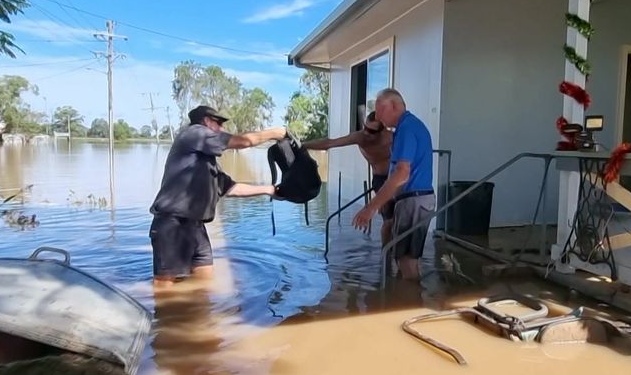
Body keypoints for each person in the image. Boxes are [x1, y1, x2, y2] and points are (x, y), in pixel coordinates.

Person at [150, 105, 286, 285]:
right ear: (206, 121)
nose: (222, 128)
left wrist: (270, 190)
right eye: (219, 123)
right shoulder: (194, 133)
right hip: (173, 225)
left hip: (196, 228)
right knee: (164, 289)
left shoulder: (207, 163)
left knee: (204, 285)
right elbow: (244, 141)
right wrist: (277, 133)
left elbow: (231, 188)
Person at [352, 89, 434, 280]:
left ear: (395, 106)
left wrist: (372, 207)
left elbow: (402, 173)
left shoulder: (406, 128)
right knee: (406, 259)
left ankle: (410, 305)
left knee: (406, 261)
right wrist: (390, 198)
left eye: (380, 109)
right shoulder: (408, 127)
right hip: (413, 199)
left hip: (414, 201)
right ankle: (403, 301)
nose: (378, 116)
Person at [302, 111, 395, 243]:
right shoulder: (359, 137)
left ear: (382, 131)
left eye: (372, 131)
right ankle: (386, 257)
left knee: (402, 217)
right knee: (389, 220)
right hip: (380, 179)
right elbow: (330, 143)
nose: (367, 133)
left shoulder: (392, 137)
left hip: (396, 177)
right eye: (365, 128)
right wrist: (303, 145)